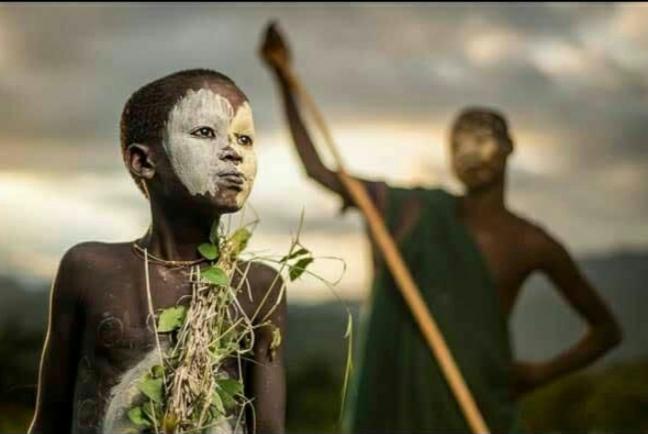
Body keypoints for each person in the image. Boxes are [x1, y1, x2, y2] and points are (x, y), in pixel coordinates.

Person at [260, 23, 622, 433]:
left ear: (509, 148)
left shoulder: (532, 244)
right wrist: (284, 79)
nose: (474, 150)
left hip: (479, 406)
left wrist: (540, 374)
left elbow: (607, 331)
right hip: (397, 405)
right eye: (462, 141)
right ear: (450, 157)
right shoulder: (411, 210)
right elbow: (318, 169)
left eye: (484, 138)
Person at [29, 69, 286, 434]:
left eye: (244, 139)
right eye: (204, 133)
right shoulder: (89, 269)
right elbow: (49, 420)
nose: (233, 153)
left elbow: (269, 428)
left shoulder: (259, 287)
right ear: (143, 161)